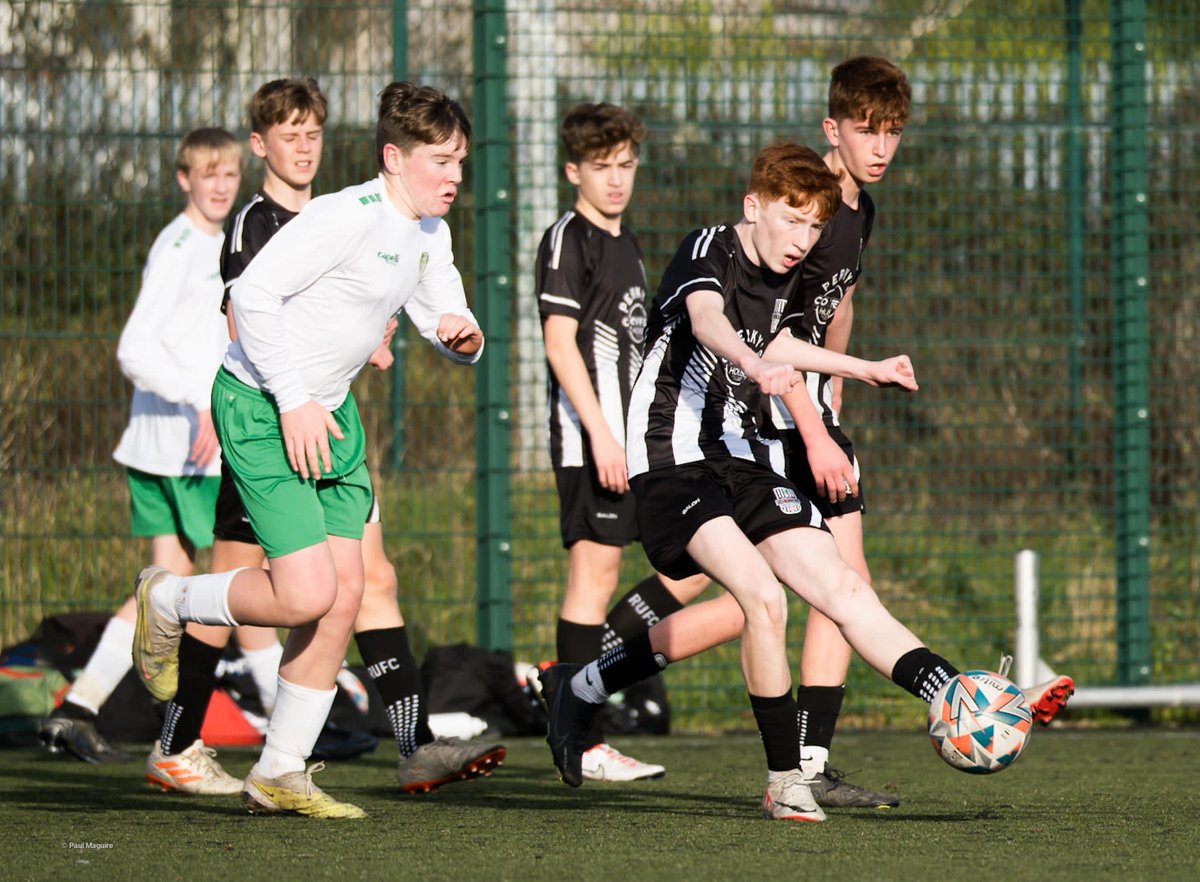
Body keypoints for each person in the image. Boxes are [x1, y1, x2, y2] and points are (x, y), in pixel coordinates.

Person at [557, 57, 1074, 809]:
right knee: (760, 599)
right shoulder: (711, 247)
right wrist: (773, 383)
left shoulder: (795, 260)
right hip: (673, 458)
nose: (803, 239)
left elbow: (790, 339)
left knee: (837, 585)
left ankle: (950, 692)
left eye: (813, 224)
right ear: (754, 205)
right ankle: (787, 779)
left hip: (739, 451)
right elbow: (710, 323)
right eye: (792, 219)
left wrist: (863, 368)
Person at [131, 81, 485, 819]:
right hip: (262, 406)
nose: (454, 175)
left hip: (328, 413)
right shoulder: (342, 216)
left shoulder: (429, 231)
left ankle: (279, 772)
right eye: (441, 161)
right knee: (301, 593)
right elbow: (251, 299)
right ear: (394, 158)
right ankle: (165, 597)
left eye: (461, 161)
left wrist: (463, 337)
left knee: (346, 594)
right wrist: (292, 400)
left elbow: (441, 310)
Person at [40, 128, 243, 764]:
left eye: (229, 174)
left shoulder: (208, 242)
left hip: (164, 446)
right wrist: (201, 397)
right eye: (206, 174)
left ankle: (76, 709)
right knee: (241, 577)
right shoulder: (183, 245)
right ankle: (272, 719)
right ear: (183, 179)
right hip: (183, 448)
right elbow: (134, 349)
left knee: (169, 582)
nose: (219, 186)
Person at [531, 102, 707, 782]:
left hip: (638, 444)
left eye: (626, 166)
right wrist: (602, 434)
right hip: (591, 441)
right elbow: (558, 344)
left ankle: (571, 681)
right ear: (574, 169)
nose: (615, 180)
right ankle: (583, 736)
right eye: (601, 167)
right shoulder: (566, 238)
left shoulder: (626, 245)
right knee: (594, 572)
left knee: (690, 567)